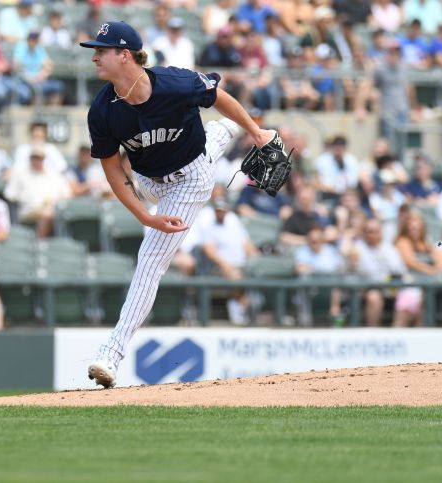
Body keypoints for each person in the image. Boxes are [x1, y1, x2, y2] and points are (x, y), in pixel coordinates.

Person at [80, 21, 275, 388]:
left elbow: (218, 96)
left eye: (101, 51)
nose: (94, 57)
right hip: (146, 180)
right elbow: (112, 170)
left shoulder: (174, 82)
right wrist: (144, 215)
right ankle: (222, 132)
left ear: (125, 55)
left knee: (150, 261)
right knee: (208, 143)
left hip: (187, 183)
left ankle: (111, 353)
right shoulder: (103, 110)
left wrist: (257, 132)